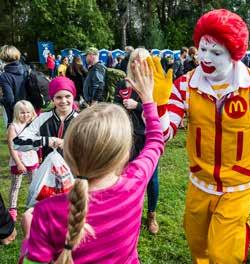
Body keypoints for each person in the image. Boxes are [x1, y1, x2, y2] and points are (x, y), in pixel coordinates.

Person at [150, 9, 250, 263]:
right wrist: (159, 105)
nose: (205, 58)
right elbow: (165, 133)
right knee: (197, 244)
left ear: (234, 53)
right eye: (203, 49)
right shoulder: (185, 85)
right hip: (199, 183)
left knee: (223, 254)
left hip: (238, 185)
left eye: (216, 52)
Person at [21, 58, 164, 263]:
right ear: (124, 155)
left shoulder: (47, 213)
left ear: (68, 152)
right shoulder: (135, 181)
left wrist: (28, 240)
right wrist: (148, 99)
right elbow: (156, 142)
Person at [115, 48, 161, 234]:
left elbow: (160, 109)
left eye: (141, 60)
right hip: (127, 135)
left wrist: (138, 105)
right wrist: (121, 107)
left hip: (148, 136)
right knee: (125, 175)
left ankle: (151, 214)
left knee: (152, 178)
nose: (137, 64)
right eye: (134, 60)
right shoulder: (123, 83)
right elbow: (115, 104)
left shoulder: (154, 84)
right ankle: (129, 212)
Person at [14, 77, 78, 161]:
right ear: (52, 99)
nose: (63, 101)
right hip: (49, 170)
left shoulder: (81, 120)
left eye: (67, 96)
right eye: (58, 97)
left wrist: (69, 144)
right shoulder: (42, 118)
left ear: (73, 97)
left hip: (74, 170)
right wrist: (47, 141)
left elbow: (92, 145)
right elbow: (17, 143)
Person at [7, 100, 39, 221]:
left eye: (28, 112)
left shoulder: (33, 125)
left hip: (32, 160)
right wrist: (19, 163)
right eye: (22, 113)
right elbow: (12, 147)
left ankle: (34, 205)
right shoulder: (13, 127)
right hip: (18, 161)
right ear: (16, 113)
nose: (25, 115)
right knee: (16, 185)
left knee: (34, 184)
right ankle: (12, 209)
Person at [0, 45, 28, 126]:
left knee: (14, 137)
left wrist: (1, 99)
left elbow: (9, 99)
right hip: (29, 109)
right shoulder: (26, 69)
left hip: (13, 113)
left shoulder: (4, 76)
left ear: (3, 57)